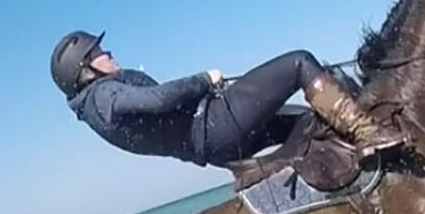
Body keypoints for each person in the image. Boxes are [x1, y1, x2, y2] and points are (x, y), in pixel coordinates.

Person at [49, 30, 405, 168]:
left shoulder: (96, 103)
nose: (109, 53)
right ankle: (368, 134)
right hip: (217, 124)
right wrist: (204, 79)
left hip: (215, 144)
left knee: (308, 122)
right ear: (85, 70)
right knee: (299, 62)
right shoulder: (103, 97)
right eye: (99, 52)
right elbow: (157, 101)